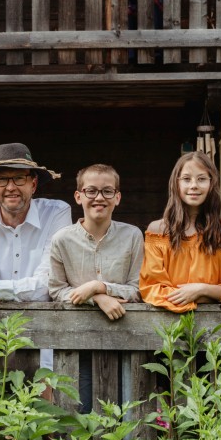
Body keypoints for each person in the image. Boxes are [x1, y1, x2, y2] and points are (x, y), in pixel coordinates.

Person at [0, 142, 72, 371]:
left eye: (19, 178)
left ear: (33, 184)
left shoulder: (57, 213)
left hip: (47, 338)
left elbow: (48, 285)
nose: (11, 187)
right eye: (2, 179)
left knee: (46, 401)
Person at [49, 163, 143, 412]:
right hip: (78, 345)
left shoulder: (133, 236)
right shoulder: (62, 240)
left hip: (126, 342)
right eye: (91, 191)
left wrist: (99, 286)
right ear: (78, 196)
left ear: (118, 198)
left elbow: (138, 289)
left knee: (129, 417)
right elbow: (56, 291)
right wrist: (97, 297)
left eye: (107, 191)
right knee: (81, 415)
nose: (99, 198)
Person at [139, 151, 221, 313]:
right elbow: (151, 288)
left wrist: (201, 289)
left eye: (202, 179)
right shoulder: (158, 231)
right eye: (186, 179)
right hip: (169, 327)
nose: (194, 185)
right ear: (176, 184)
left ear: (212, 183)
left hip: (216, 326)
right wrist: (204, 298)